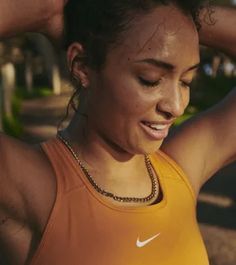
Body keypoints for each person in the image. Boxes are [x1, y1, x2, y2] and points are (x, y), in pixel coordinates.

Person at [0, 0, 236, 264]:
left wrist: (180, 12)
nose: (176, 106)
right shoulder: (31, 185)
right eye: (150, 79)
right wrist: (51, 10)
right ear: (82, 65)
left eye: (186, 81)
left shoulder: (181, 166)